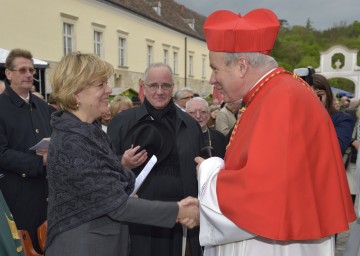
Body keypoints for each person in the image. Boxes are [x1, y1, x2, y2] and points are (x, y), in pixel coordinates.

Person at [195, 9, 356, 256]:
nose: (212, 79)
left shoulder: (280, 100)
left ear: (241, 66)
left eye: (215, 69)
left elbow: (259, 199)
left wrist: (208, 171)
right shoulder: (275, 92)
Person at [45, 53, 199, 256]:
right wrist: (178, 211)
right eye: (101, 85)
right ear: (76, 93)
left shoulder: (88, 132)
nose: (108, 90)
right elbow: (116, 205)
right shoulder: (72, 141)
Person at [108, 63, 203, 256]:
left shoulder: (190, 125)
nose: (160, 91)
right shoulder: (120, 123)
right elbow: (104, 170)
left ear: (172, 87)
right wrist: (123, 163)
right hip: (136, 219)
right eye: (153, 85)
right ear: (143, 86)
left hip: (179, 218)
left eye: (166, 86)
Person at [0, 48, 53, 254]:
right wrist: (38, 162)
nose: (29, 74)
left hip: (47, 193)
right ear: (9, 74)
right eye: (22, 70)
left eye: (31, 70)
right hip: (17, 197)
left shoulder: (42, 105)